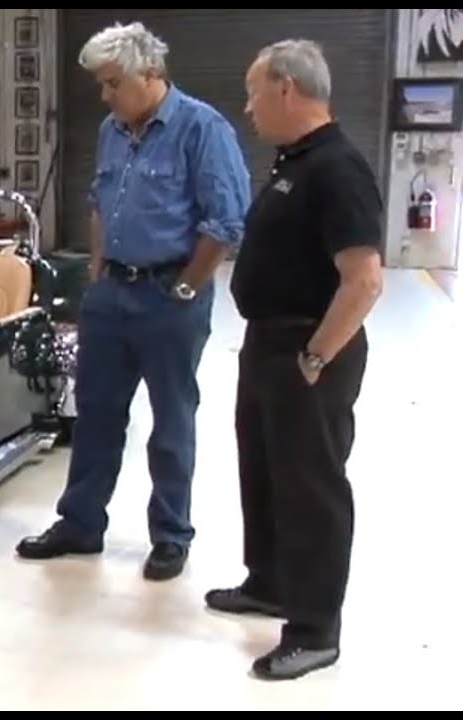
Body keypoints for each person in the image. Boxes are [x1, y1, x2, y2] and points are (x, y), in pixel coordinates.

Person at [15, 22, 251, 581]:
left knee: (171, 421)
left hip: (170, 296)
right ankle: (80, 522)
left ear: (150, 74)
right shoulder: (112, 129)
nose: (104, 95)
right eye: (100, 84)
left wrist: (188, 287)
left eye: (112, 82)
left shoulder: (202, 129)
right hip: (111, 295)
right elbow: (99, 200)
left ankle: (170, 535)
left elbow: (226, 221)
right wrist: (97, 271)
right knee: (95, 412)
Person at [209, 39, 383, 681]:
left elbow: (363, 280)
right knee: (263, 470)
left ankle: (314, 629)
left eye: (254, 91)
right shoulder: (294, 163)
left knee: (311, 488)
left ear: (286, 88)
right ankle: (271, 582)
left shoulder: (338, 168)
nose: (248, 106)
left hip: (309, 349)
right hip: (269, 345)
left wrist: (316, 356)